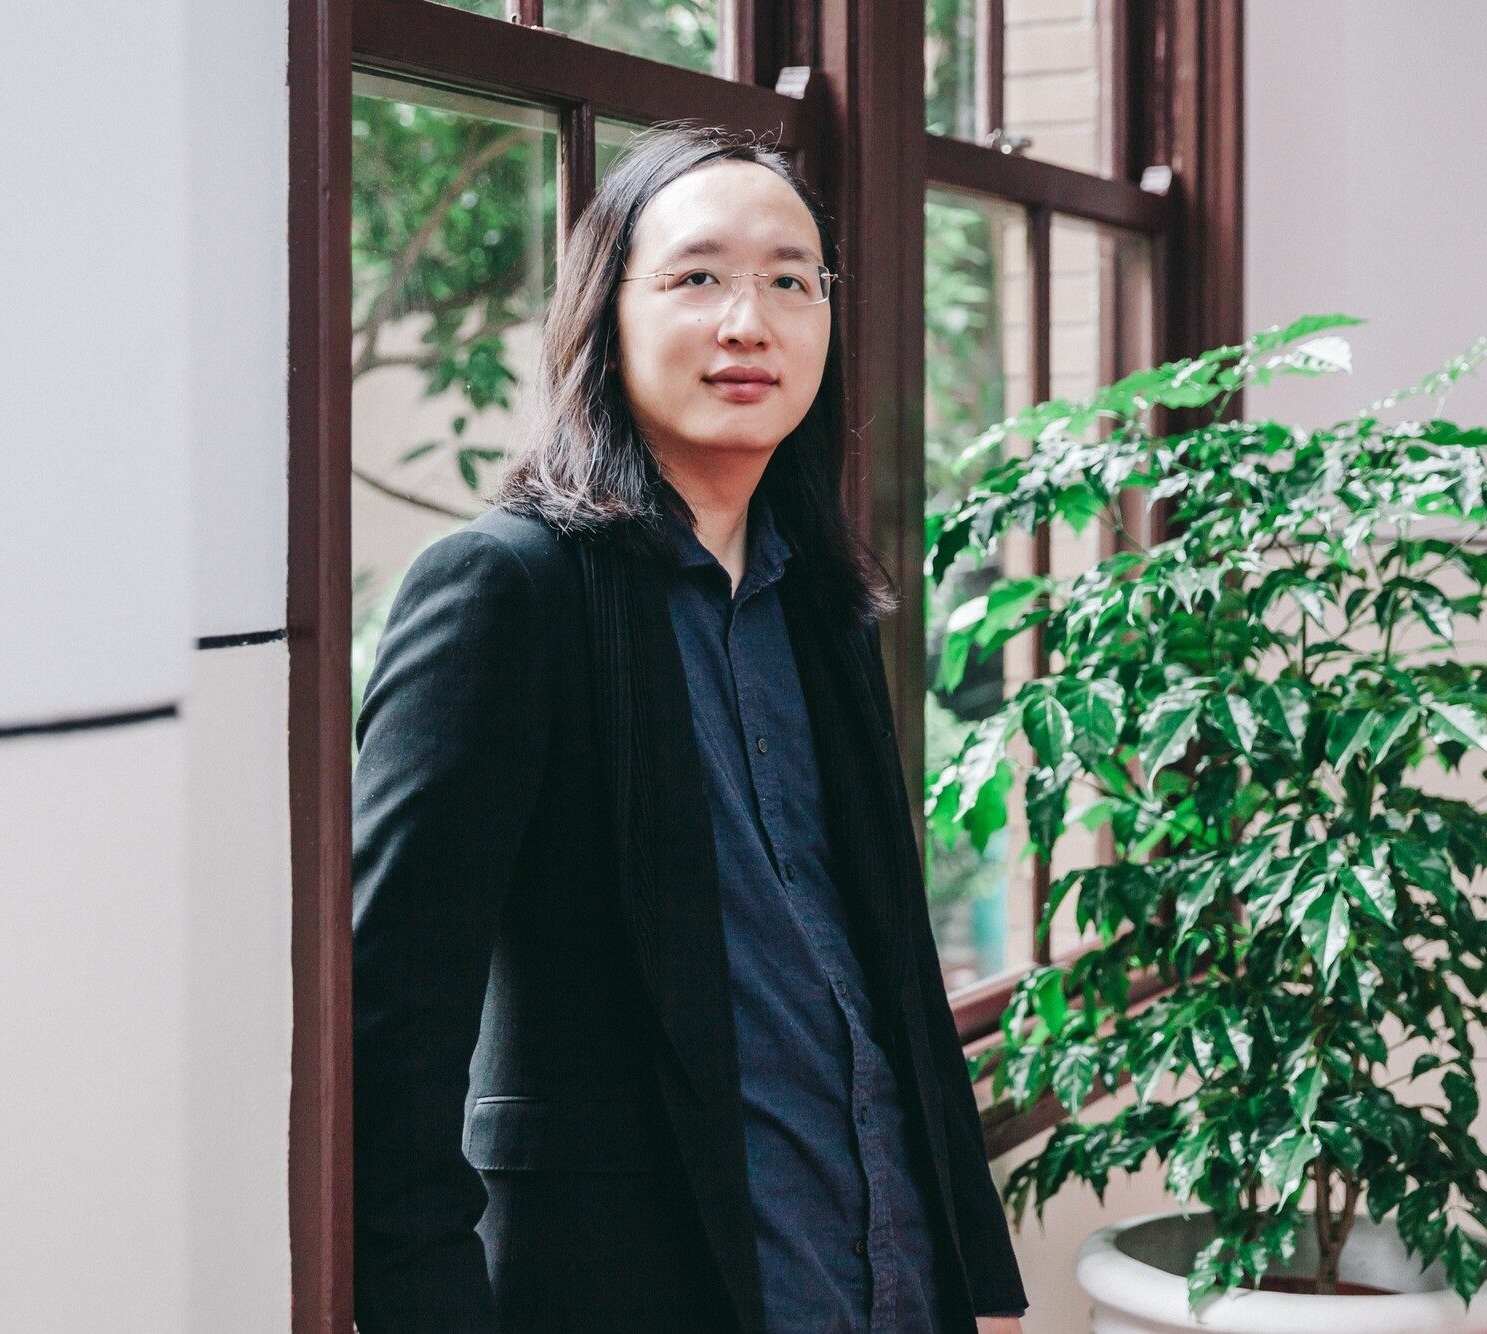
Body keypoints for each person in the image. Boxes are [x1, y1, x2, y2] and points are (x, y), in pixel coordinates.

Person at [351, 125, 1030, 1334]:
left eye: (788, 279)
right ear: (602, 312)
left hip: (884, 1282)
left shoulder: (822, 603)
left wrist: (982, 1284)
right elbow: (386, 1038)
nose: (746, 320)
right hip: (633, 1285)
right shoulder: (502, 592)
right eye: (697, 275)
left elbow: (892, 981)